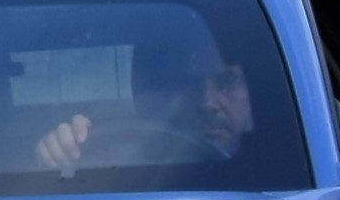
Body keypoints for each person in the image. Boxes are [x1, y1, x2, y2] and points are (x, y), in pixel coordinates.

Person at [31, 30, 264, 182]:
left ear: (255, 91)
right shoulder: (126, 165)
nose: (206, 102)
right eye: (188, 84)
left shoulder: (291, 173)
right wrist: (62, 157)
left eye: (227, 82)